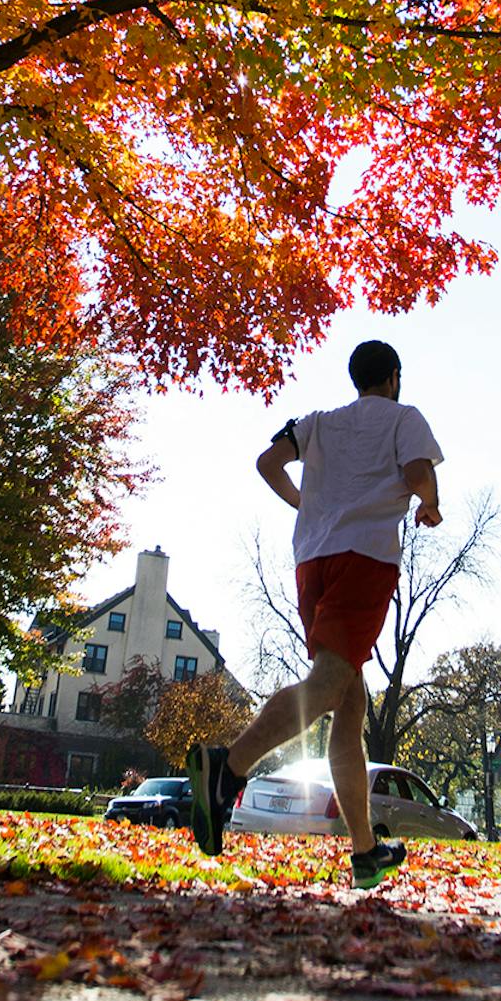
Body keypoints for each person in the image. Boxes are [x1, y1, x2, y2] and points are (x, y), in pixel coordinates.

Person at [186, 341, 443, 889]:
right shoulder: (404, 417)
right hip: (366, 559)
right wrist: (430, 503)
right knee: (329, 686)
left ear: (356, 379)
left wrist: (305, 504)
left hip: (312, 561)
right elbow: (419, 470)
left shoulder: (318, 422)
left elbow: (267, 462)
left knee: (350, 702)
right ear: (394, 377)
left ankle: (365, 851)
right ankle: (227, 767)